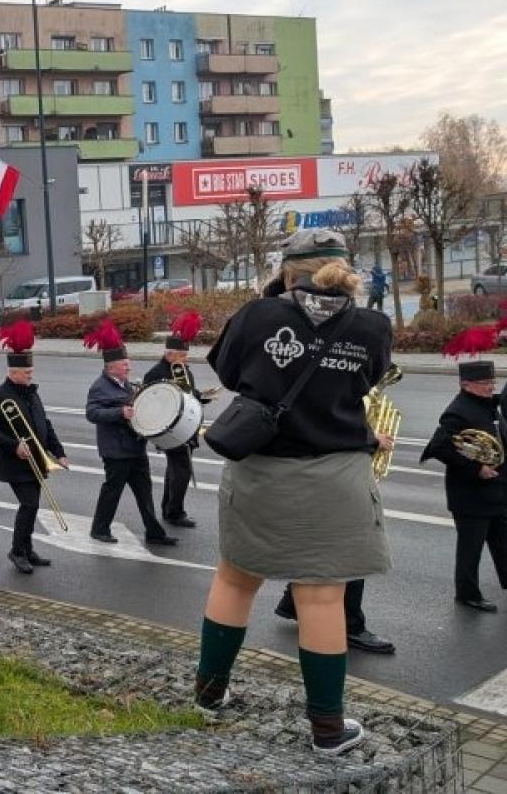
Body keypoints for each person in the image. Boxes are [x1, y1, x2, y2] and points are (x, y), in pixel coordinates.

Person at [195, 228, 393, 755]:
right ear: (344, 269)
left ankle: (209, 696)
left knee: (234, 580)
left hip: (260, 471)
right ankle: (328, 730)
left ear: (287, 270)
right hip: (335, 475)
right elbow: (365, 382)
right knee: (322, 596)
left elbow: (228, 371)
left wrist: (271, 306)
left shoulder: (256, 316)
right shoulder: (372, 326)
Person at [427, 346, 507, 613]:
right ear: (467, 384)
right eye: (485, 383)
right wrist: (475, 469)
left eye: (492, 382)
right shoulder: (458, 411)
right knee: (471, 548)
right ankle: (467, 594)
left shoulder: (486, 405)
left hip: (498, 491)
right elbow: (439, 447)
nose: (491, 387)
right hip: (472, 495)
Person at [0, 320, 69, 574]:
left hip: (37, 459)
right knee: (29, 505)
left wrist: (59, 452)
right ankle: (17, 551)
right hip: (15, 462)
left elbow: (45, 424)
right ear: (13, 372)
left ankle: (27, 549)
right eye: (27, 373)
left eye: (31, 372)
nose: (31, 376)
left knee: (32, 506)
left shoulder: (31, 392)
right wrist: (13, 446)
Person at [83, 320, 176, 547]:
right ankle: (99, 529)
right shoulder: (100, 387)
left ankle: (154, 532)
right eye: (125, 364)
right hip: (115, 451)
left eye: (128, 363)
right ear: (111, 367)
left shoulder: (126, 385)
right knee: (112, 491)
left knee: (145, 492)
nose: (129, 367)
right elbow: (92, 413)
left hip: (135, 448)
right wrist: (119, 412)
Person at [143, 311, 211, 528]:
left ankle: (168, 508)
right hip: (171, 429)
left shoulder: (182, 370)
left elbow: (187, 394)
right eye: (182, 355)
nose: (186, 359)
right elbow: (152, 403)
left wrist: (202, 396)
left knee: (175, 470)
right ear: (170, 355)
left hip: (186, 426)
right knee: (181, 471)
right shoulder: (155, 373)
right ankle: (175, 512)